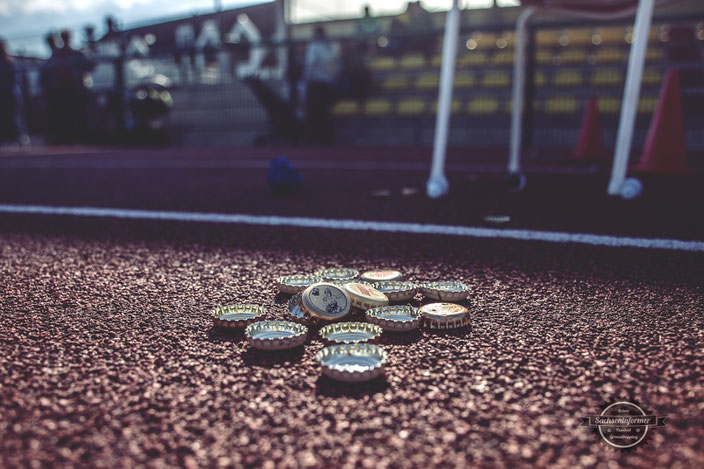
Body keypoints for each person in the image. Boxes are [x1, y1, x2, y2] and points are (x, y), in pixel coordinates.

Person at [54, 29, 93, 143]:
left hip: (76, 89)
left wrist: (78, 71)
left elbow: (91, 65)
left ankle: (81, 138)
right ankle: (70, 139)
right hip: (63, 89)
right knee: (67, 115)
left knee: (79, 114)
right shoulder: (59, 55)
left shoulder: (77, 53)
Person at [303, 26, 337, 145]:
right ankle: (325, 138)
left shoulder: (314, 47)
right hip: (326, 83)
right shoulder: (329, 47)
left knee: (316, 112)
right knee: (325, 112)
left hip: (316, 84)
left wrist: (305, 80)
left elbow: (310, 65)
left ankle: (316, 138)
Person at [0, 38, 24, 147]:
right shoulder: (11, 62)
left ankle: (17, 139)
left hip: (10, 95)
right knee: (9, 118)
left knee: (13, 118)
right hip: (9, 95)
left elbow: (16, 79)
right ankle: (13, 139)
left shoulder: (10, 62)